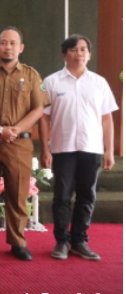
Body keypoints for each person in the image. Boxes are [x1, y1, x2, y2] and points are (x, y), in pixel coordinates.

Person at [0, 26, 48, 261]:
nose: (8, 47)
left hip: (19, 144)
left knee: (18, 194)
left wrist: (14, 130)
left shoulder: (32, 75)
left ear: (21, 48)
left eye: (13, 43)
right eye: (3, 42)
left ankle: (18, 242)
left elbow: (38, 109)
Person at [39, 34, 118, 261]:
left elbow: (106, 118)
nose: (79, 53)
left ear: (89, 55)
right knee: (62, 196)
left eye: (83, 49)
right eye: (73, 49)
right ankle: (62, 241)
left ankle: (79, 241)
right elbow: (43, 118)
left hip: (92, 148)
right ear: (64, 55)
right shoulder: (51, 82)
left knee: (87, 196)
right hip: (62, 148)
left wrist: (109, 149)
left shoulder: (99, 83)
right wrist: (45, 149)